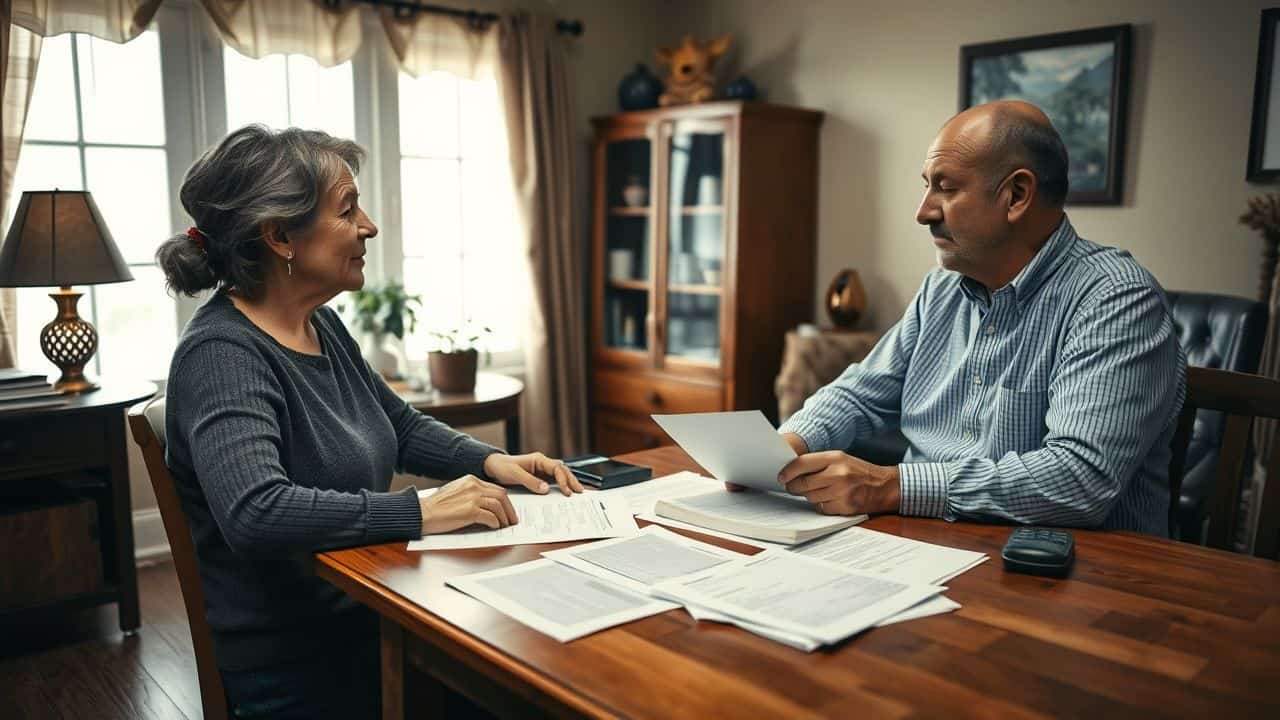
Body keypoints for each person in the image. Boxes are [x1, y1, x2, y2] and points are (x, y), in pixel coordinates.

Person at [155, 124, 583, 719]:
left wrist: (489, 461)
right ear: (279, 236)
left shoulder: (320, 325)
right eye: (347, 208)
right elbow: (256, 512)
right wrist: (421, 511)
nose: (369, 226)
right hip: (301, 668)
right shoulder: (223, 353)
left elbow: (400, 426)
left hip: (369, 614)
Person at [763, 101, 1185, 535]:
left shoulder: (1116, 299)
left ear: (1017, 195)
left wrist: (889, 486)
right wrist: (783, 448)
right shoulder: (941, 289)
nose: (923, 211)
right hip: (925, 543)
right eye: (927, 186)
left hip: (1070, 571)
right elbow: (860, 394)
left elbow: (1080, 479)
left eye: (945, 188)